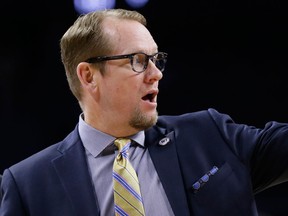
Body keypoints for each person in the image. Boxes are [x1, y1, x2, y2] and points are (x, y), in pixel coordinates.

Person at [0, 8, 288, 216]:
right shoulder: (27, 185)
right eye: (138, 60)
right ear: (88, 76)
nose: (156, 74)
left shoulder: (209, 133)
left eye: (156, 59)